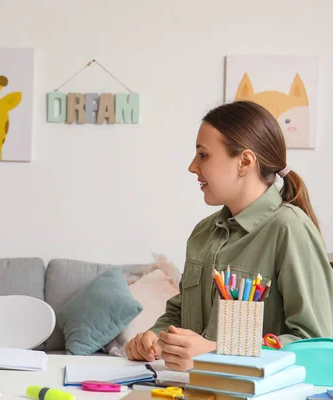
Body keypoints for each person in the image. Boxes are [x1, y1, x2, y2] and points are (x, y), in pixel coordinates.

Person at [126, 100, 333, 371]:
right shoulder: (202, 233)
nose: (192, 166)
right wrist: (155, 338)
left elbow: (315, 347)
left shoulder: (289, 229)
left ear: (244, 162)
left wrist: (216, 352)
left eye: (203, 155)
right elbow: (179, 314)